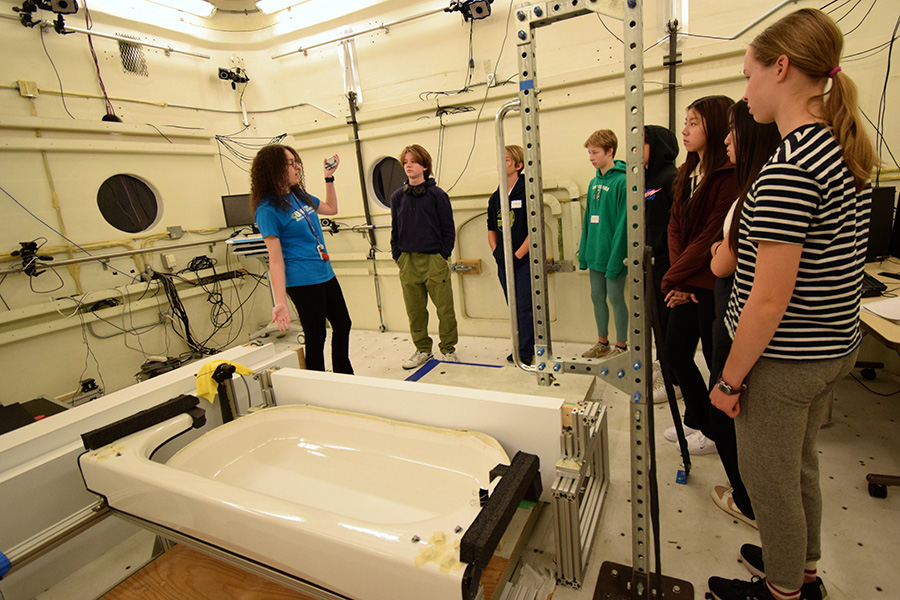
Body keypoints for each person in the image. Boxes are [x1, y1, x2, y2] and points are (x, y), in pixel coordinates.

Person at [706, 9, 875, 600]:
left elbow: (770, 297)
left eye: (750, 75)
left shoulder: (790, 168)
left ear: (781, 68)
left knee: (770, 478)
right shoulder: (840, 147)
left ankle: (783, 590)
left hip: (785, 360)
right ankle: (799, 565)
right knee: (798, 464)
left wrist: (729, 380)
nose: (746, 92)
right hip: (830, 348)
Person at [707, 100, 781, 528]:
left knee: (754, 447)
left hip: (741, 327)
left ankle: (749, 503)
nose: (728, 140)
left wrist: (728, 381)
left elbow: (724, 262)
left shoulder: (756, 191)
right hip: (732, 316)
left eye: (734, 130)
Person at [660, 95, 736, 455]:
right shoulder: (687, 172)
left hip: (709, 282)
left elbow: (710, 235)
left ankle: (712, 430)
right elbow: (676, 226)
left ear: (716, 127)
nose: (685, 130)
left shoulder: (728, 176)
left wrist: (680, 280)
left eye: (694, 123)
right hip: (689, 279)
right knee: (675, 352)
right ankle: (696, 418)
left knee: (712, 359)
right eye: (685, 122)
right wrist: (680, 279)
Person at [251, 144, 353, 374]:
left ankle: (344, 375)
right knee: (316, 335)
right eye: (290, 163)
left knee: (343, 323)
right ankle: (315, 381)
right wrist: (280, 302)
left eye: (296, 161)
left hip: (324, 272)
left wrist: (329, 178)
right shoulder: (267, 210)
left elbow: (331, 208)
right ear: (274, 169)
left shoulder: (299, 195)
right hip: (302, 280)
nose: (297, 167)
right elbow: (275, 260)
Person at [391, 144, 458, 369]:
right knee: (415, 310)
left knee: (444, 308)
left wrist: (443, 256)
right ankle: (423, 349)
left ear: (425, 165)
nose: (409, 165)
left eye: (414, 161)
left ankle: (448, 349)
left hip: (433, 260)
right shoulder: (397, 197)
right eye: (406, 162)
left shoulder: (438, 195)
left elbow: (448, 228)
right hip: (407, 261)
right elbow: (395, 229)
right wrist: (398, 255)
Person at [579, 130, 629, 359]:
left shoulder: (624, 181)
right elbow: (588, 218)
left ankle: (621, 345)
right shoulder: (592, 183)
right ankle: (602, 342)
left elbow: (623, 223)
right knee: (596, 296)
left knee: (616, 297)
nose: (591, 157)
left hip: (614, 253)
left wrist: (617, 257)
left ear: (610, 151)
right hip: (595, 252)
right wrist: (584, 253)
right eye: (589, 152)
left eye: (595, 152)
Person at [487, 144, 534, 365]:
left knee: (525, 307)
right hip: (503, 262)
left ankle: (527, 350)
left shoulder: (527, 191)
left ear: (518, 165)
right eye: (499, 159)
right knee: (513, 306)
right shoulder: (496, 196)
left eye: (506, 160)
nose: (500, 163)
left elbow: (534, 230)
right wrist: (497, 253)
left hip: (522, 261)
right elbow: (490, 228)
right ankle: (518, 345)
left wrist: (516, 256)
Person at [643, 125, 680, 402]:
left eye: (641, 143)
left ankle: (675, 381)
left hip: (668, 263)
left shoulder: (670, 178)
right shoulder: (646, 179)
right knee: (656, 320)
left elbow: (677, 227)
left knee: (669, 324)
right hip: (652, 261)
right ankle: (664, 367)